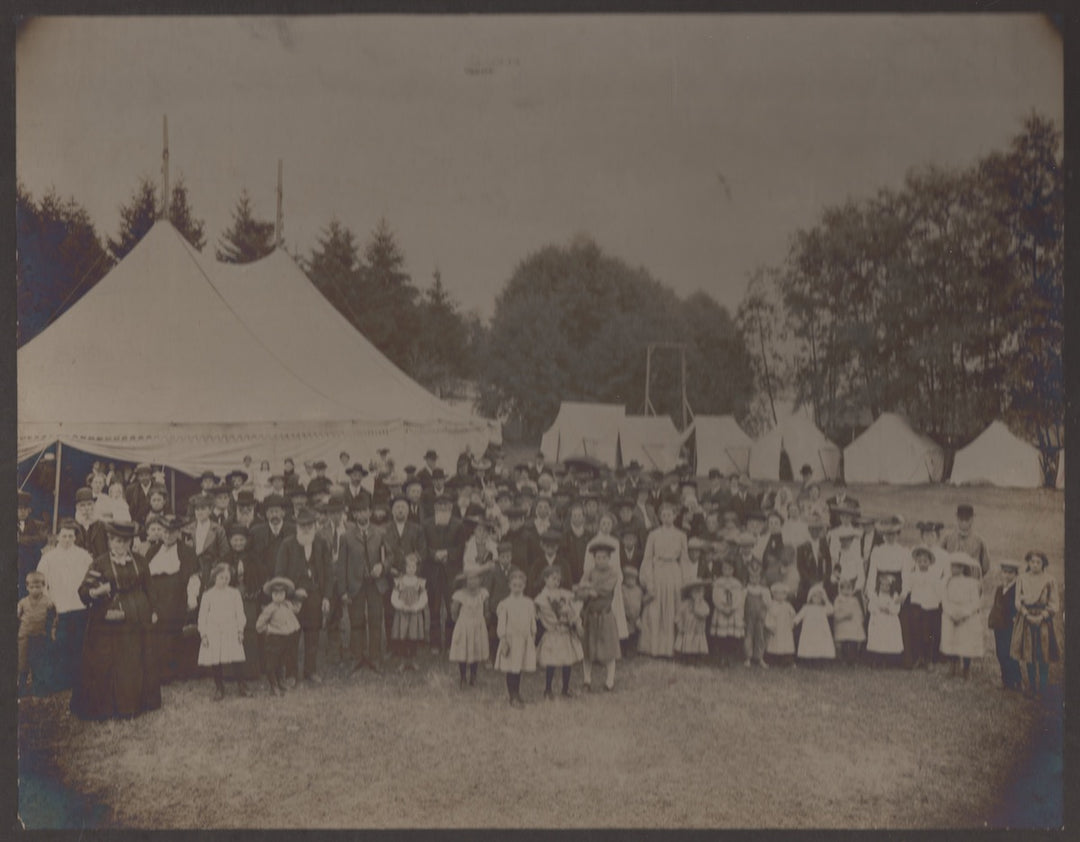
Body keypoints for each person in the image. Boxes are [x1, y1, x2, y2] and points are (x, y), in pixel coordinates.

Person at [70, 520, 160, 720]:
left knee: (136, 658)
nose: (119, 546)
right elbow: (83, 591)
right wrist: (96, 591)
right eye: (114, 541)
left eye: (123, 542)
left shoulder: (140, 560)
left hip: (139, 615)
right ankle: (109, 707)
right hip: (110, 617)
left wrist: (153, 610)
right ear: (109, 542)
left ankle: (138, 703)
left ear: (129, 543)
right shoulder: (100, 563)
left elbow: (150, 587)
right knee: (110, 660)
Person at [274, 508, 332, 685]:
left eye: (309, 525)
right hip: (293, 597)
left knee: (313, 635)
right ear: (297, 526)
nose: (306, 528)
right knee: (292, 635)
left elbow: (329, 573)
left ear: (315, 526)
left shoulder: (321, 543)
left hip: (315, 595)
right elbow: (280, 573)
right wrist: (291, 593)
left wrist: (326, 597)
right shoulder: (287, 544)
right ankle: (291, 673)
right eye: (302, 525)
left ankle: (310, 671)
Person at [35, 519, 93, 692]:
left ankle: (77, 679)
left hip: (79, 607)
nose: (67, 539)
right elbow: (40, 581)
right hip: (59, 607)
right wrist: (49, 600)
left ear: (75, 537)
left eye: (70, 536)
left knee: (78, 644)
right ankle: (61, 681)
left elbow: (91, 578)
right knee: (61, 644)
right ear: (58, 537)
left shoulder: (83, 556)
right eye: (64, 536)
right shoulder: (48, 558)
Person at [143, 514, 200, 685]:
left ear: (178, 533)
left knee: (173, 633)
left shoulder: (187, 552)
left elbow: (193, 577)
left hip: (176, 596)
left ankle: (175, 671)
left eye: (172, 532)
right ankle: (159, 671)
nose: (168, 536)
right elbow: (145, 576)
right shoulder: (153, 551)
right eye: (165, 532)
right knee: (156, 633)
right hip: (155, 596)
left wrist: (192, 598)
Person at [638, 500, 692, 658]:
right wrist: (648, 579)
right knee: (656, 607)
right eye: (663, 515)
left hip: (674, 573)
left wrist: (686, 579)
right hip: (658, 572)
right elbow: (648, 558)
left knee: (673, 607)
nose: (667, 517)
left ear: (675, 516)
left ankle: (672, 647)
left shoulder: (681, 535)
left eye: (670, 515)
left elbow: (684, 559)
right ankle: (654, 647)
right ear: (660, 517)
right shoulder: (653, 535)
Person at [338, 497, 387, 674]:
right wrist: (343, 590)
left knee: (375, 620)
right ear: (353, 514)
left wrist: (382, 566)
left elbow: (391, 556)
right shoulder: (346, 537)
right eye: (358, 511)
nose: (362, 514)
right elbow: (342, 564)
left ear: (370, 512)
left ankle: (375, 657)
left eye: (365, 510)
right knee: (356, 621)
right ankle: (357, 656)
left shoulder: (380, 533)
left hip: (375, 584)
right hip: (356, 584)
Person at [575, 538, 623, 691]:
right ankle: (587, 680)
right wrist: (586, 590)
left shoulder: (613, 573)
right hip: (590, 614)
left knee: (609, 650)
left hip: (605, 614)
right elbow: (580, 593)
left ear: (609, 558)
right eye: (597, 557)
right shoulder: (589, 572)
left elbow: (604, 590)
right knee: (587, 649)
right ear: (593, 558)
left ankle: (609, 681)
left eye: (604, 557)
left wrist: (588, 588)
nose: (600, 560)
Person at [1010, 550, 1058, 699]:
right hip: (1026, 619)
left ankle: (1043, 687)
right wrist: (1026, 614)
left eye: (1038, 562)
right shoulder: (1022, 579)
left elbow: (1054, 603)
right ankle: (1031, 686)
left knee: (1042, 653)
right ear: (1028, 563)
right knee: (1028, 653)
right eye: (1032, 562)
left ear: (1043, 564)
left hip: (1043, 621)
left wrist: (1042, 616)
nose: (1034, 565)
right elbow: (1017, 601)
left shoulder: (1049, 580)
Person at [198, 562, 249, 700]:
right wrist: (203, 634)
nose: (224, 581)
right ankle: (219, 687)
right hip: (213, 630)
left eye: (227, 578)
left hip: (230, 629)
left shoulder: (234, 593)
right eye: (221, 577)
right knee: (216, 660)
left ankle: (242, 685)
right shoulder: (207, 595)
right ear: (214, 577)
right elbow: (202, 616)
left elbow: (240, 612)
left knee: (237, 658)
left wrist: (240, 630)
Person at [534, 564, 583, 698]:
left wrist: (573, 620)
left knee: (567, 661)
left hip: (565, 632)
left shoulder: (564, 594)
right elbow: (541, 613)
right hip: (553, 632)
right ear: (545, 579)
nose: (556, 582)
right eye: (553, 578)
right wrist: (555, 620)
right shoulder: (541, 597)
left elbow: (574, 607)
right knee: (552, 661)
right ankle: (548, 689)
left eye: (558, 579)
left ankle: (565, 689)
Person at [495, 567, 537, 708]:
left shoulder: (529, 603)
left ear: (524, 586)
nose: (517, 588)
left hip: (523, 639)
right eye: (514, 585)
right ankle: (512, 695)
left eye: (520, 585)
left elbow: (532, 620)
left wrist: (532, 633)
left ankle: (517, 693)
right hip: (511, 639)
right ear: (509, 586)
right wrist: (503, 638)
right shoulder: (505, 604)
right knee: (511, 667)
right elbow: (502, 623)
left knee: (518, 667)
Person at [940, 553, 983, 679]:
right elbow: (944, 599)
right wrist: (951, 613)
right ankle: (953, 666)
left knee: (966, 642)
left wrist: (964, 614)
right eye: (952, 566)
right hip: (951, 614)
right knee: (951, 641)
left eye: (957, 567)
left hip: (966, 615)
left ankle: (966, 668)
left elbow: (976, 602)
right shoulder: (947, 582)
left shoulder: (971, 583)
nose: (954, 569)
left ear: (963, 568)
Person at [256, 577, 301, 696]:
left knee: (282, 662)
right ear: (271, 595)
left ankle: (281, 682)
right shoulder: (270, 608)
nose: (278, 597)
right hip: (274, 639)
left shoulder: (287, 605)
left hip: (286, 638)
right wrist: (268, 629)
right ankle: (273, 685)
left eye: (281, 594)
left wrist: (299, 598)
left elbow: (296, 610)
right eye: (275, 594)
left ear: (285, 594)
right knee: (272, 663)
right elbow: (259, 624)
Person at [902, 545, 942, 671]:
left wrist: (941, 601)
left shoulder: (934, 576)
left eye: (925, 561)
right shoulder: (913, 575)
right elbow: (907, 588)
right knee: (917, 631)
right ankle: (918, 657)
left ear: (930, 562)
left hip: (930, 606)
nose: (922, 564)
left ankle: (928, 659)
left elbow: (939, 591)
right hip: (916, 605)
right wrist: (902, 597)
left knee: (928, 633)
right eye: (919, 561)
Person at [18, 571, 57, 696]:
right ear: (27, 587)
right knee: (23, 661)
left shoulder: (48, 602)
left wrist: (51, 630)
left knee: (38, 662)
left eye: (38, 587)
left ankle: (38, 687)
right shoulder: (23, 602)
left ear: (43, 586)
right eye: (32, 587)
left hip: (40, 636)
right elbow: (17, 617)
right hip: (25, 636)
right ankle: (22, 687)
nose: (35, 590)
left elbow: (54, 617)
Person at [449, 570, 489, 688]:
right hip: (464, 625)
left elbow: (486, 609)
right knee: (463, 650)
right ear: (465, 581)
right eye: (470, 579)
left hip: (478, 625)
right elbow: (454, 611)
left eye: (475, 579)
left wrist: (483, 619)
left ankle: (473, 675)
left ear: (480, 580)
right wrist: (460, 623)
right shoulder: (460, 594)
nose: (473, 582)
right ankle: (462, 677)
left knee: (476, 650)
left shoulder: (483, 593)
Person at [390, 552, 428, 671]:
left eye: (413, 567)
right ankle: (403, 661)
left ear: (416, 568)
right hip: (402, 614)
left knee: (413, 637)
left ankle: (412, 660)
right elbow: (394, 596)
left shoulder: (419, 582)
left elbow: (424, 598)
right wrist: (401, 606)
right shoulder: (400, 582)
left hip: (414, 614)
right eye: (408, 567)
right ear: (405, 567)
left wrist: (416, 607)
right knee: (403, 637)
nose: (411, 569)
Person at [988, 560, 1022, 691]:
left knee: (1011, 653)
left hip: (1010, 625)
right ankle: (1006, 681)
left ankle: (1016, 681)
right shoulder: (1000, 588)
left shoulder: (1017, 590)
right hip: (999, 626)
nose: (1007, 575)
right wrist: (993, 620)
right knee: (1000, 652)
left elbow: (1017, 608)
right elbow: (996, 607)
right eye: (1005, 572)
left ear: (1016, 574)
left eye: (1010, 573)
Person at [708, 555, 746, 667]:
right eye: (725, 569)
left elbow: (739, 598)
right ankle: (722, 656)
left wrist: (732, 608)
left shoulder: (737, 584)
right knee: (721, 636)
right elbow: (715, 597)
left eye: (730, 569)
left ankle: (730, 656)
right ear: (722, 569)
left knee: (731, 636)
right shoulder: (718, 583)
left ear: (733, 570)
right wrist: (722, 608)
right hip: (721, 612)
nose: (727, 571)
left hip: (733, 613)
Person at [940, 503, 990, 576]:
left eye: (967, 519)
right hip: (950, 579)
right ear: (957, 518)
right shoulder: (947, 538)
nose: (964, 522)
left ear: (972, 519)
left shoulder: (979, 540)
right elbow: (939, 558)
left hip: (971, 580)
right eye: (961, 519)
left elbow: (985, 566)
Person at [866, 572, 903, 668]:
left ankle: (886, 661)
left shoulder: (894, 596)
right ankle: (876, 660)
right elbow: (870, 606)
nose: (884, 587)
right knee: (877, 639)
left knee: (887, 640)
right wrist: (878, 609)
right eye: (882, 585)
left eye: (887, 585)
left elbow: (897, 608)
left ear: (891, 586)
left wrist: (889, 609)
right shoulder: (875, 595)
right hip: (878, 619)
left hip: (889, 620)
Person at [793, 583, 835, 665]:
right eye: (815, 596)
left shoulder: (823, 608)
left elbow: (831, 610)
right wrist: (795, 621)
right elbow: (800, 615)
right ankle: (808, 661)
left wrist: (826, 599)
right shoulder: (806, 608)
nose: (817, 598)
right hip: (809, 631)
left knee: (820, 644)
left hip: (821, 631)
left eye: (820, 597)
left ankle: (819, 660)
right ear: (811, 597)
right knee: (809, 644)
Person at [674, 579, 711, 665]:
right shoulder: (685, 604)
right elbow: (679, 615)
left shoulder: (704, 604)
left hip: (698, 630)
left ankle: (696, 658)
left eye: (701, 592)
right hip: (687, 629)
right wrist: (680, 624)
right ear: (690, 593)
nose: (698, 595)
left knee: (696, 643)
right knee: (687, 643)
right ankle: (685, 658)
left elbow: (703, 613)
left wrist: (697, 604)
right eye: (695, 592)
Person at [832, 577, 865, 666]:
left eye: (849, 588)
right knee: (844, 642)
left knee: (853, 641)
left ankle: (853, 660)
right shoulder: (838, 600)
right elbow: (835, 612)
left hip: (853, 624)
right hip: (843, 623)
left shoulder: (854, 600)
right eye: (845, 589)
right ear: (841, 589)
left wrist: (860, 619)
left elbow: (858, 611)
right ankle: (844, 659)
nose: (847, 591)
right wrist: (843, 616)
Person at [764, 581, 796, 667]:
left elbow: (792, 613)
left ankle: (787, 661)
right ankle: (773, 660)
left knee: (786, 644)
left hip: (785, 628)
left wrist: (792, 621)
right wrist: (770, 626)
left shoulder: (787, 605)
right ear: (773, 595)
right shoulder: (772, 605)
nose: (780, 596)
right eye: (778, 594)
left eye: (783, 594)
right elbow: (769, 616)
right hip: (776, 628)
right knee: (775, 643)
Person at [620, 566, 644, 657]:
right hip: (626, 616)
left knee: (636, 632)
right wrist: (626, 615)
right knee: (626, 633)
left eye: (633, 579)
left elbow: (641, 602)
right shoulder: (623, 589)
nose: (630, 581)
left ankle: (633, 649)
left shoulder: (638, 590)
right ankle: (625, 650)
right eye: (628, 579)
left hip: (636, 616)